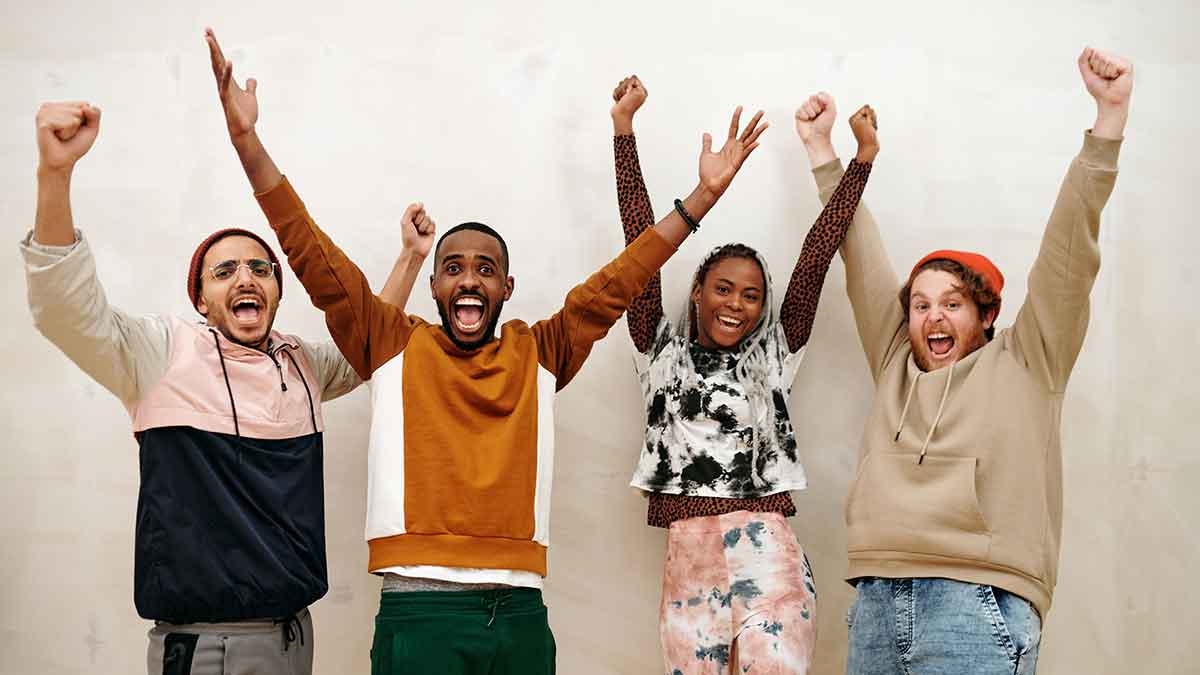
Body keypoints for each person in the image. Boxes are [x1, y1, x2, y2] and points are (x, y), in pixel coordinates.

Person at [204, 27, 767, 675]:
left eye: (485, 268)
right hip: (419, 613)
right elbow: (307, 247)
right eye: (453, 267)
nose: (469, 279)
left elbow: (625, 276)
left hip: (520, 613)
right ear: (434, 286)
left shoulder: (540, 351)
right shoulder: (391, 341)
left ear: (506, 287)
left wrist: (701, 198)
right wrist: (247, 141)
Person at [794, 47, 1132, 674]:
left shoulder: (1030, 360)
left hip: (978, 601)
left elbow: (1069, 251)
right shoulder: (895, 358)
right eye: (921, 304)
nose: (933, 317)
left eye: (952, 303)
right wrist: (822, 153)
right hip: (875, 598)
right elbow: (858, 249)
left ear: (985, 314)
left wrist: (1107, 120)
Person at [20, 97, 373, 674]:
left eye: (260, 269)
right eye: (224, 271)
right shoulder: (161, 353)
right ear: (202, 300)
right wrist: (54, 174)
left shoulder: (300, 363)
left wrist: (409, 259)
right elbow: (66, 311)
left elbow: (369, 348)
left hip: (294, 637)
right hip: (208, 648)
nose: (246, 278)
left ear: (277, 291)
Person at [608, 75, 878, 674]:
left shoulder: (774, 356)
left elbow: (816, 255)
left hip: (769, 556)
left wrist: (861, 160)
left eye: (751, 295)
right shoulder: (659, 350)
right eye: (723, 289)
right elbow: (639, 247)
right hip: (689, 562)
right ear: (697, 292)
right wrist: (624, 130)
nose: (736, 304)